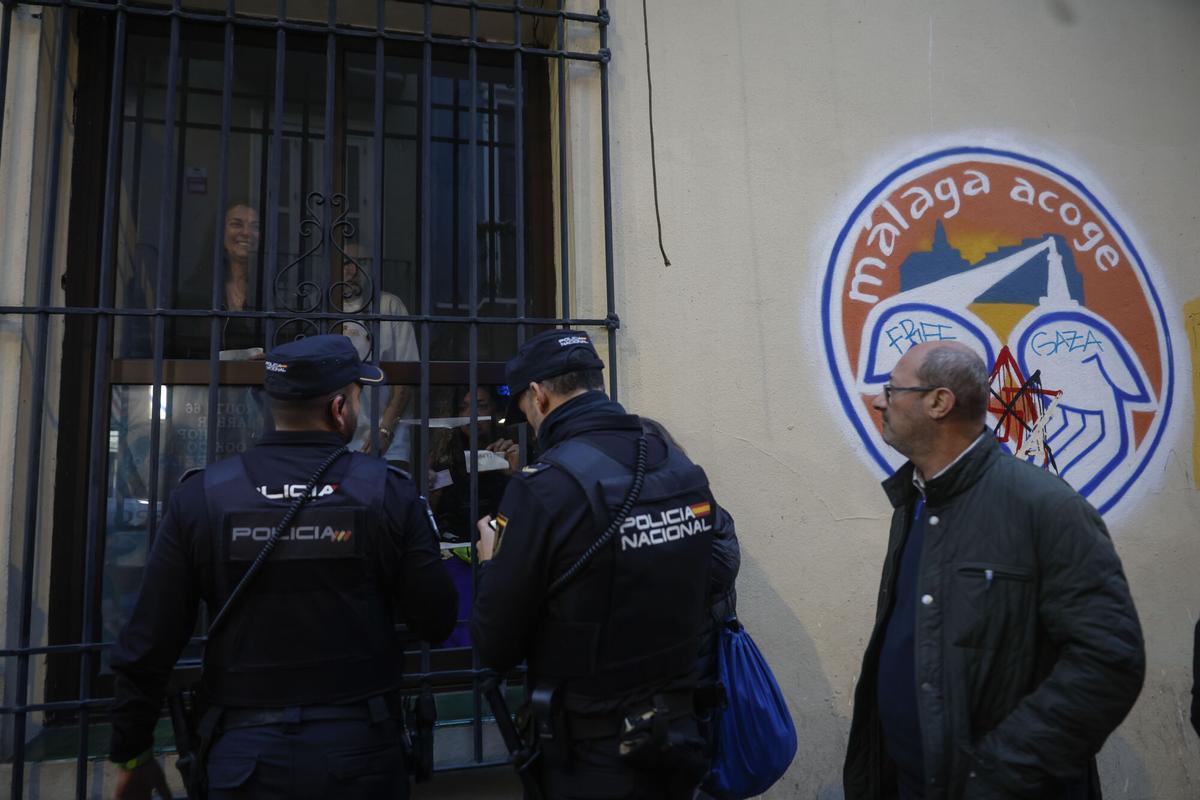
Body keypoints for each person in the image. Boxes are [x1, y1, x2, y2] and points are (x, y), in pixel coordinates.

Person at [109, 334, 457, 800]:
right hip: (360, 748)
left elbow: (147, 644)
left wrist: (132, 753)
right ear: (339, 409)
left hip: (241, 754)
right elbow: (435, 620)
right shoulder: (388, 492)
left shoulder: (204, 496)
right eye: (357, 396)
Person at [843, 341, 1145, 800]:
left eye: (893, 388)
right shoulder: (917, 502)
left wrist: (999, 773)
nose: (879, 400)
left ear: (939, 402)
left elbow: (1109, 660)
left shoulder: (1044, 507)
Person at [470, 329, 740, 799]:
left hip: (592, 747)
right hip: (680, 734)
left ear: (539, 395)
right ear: (596, 383)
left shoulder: (543, 487)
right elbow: (717, 570)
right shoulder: (671, 461)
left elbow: (495, 644)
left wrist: (492, 559)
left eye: (525, 411)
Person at [338, 243, 419, 468]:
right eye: (345, 263)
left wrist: (384, 431)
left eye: (360, 263)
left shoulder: (389, 305)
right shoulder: (326, 309)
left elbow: (406, 378)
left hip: (389, 445)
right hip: (338, 444)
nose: (352, 270)